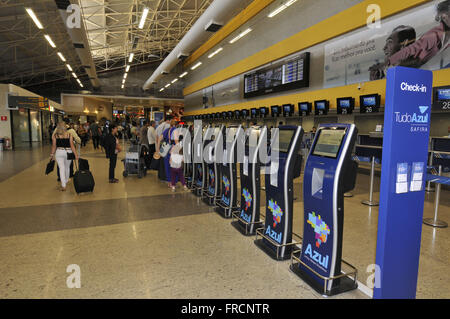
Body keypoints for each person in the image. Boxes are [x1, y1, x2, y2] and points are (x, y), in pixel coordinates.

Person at [50, 122, 79, 191]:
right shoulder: (69, 135)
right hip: (68, 152)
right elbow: (72, 146)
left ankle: (63, 185)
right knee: (67, 167)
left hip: (59, 152)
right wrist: (76, 155)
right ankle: (66, 180)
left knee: (61, 168)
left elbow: (54, 146)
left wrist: (52, 154)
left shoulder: (55, 135)